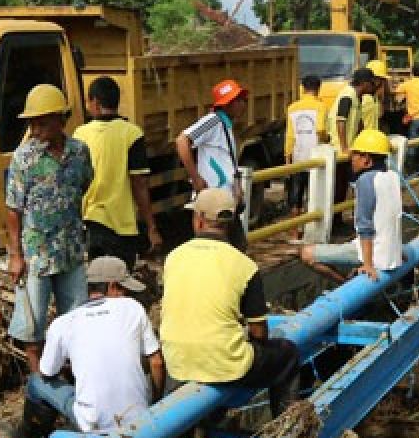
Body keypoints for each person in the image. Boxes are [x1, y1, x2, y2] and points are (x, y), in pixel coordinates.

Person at [0, 256, 164, 438]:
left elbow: (47, 372)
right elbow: (156, 362)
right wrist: (156, 404)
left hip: (92, 424)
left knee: (37, 383)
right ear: (112, 287)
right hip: (137, 419)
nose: (126, 295)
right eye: (124, 289)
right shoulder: (132, 308)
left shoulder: (65, 323)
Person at [160, 188, 300, 416]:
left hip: (177, 362)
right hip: (226, 366)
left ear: (199, 220)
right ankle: (287, 431)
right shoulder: (244, 265)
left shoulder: (173, 257)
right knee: (289, 354)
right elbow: (259, 332)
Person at [5, 84, 93, 374]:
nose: (35, 129)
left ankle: (75, 374)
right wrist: (16, 256)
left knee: (76, 320)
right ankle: (39, 385)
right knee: (33, 327)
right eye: (32, 123)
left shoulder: (79, 153)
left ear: (61, 120)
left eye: (42, 122)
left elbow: (84, 184)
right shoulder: (24, 159)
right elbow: (13, 210)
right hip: (36, 256)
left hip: (70, 250)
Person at [73, 76, 160, 268]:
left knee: (98, 281)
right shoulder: (132, 134)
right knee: (121, 281)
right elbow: (139, 184)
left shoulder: (80, 135)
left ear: (95, 102)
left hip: (92, 222)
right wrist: (151, 227)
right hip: (123, 227)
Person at [302, 129, 402, 284]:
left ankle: (344, 284)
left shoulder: (366, 180)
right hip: (391, 252)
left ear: (366, 159)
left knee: (306, 253)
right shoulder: (393, 176)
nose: (351, 159)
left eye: (355, 154)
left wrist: (368, 265)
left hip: (374, 253)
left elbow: (365, 226)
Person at [176, 78, 249, 248]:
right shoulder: (213, 121)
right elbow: (182, 141)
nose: (243, 104)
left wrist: (236, 188)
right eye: (238, 100)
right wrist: (196, 179)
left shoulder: (225, 125)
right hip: (212, 202)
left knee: (233, 249)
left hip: (223, 200)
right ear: (227, 104)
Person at [327, 67, 377, 224]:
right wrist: (344, 147)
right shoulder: (347, 96)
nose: (373, 86)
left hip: (350, 148)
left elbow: (357, 123)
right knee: (340, 187)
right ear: (363, 83)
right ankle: (335, 220)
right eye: (371, 83)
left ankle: (339, 219)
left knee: (345, 186)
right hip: (340, 149)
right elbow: (340, 121)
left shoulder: (357, 97)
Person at [284, 75, 328, 217]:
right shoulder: (321, 106)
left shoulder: (292, 108)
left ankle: (294, 231)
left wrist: (287, 158)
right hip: (315, 157)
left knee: (296, 194)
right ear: (318, 89)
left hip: (298, 156)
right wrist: (326, 140)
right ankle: (311, 227)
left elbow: (290, 136)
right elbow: (320, 129)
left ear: (303, 88)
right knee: (314, 195)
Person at [361, 59, 390, 134]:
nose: (383, 83)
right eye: (382, 80)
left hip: (371, 136)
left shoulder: (375, 98)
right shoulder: (364, 98)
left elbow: (379, 115)